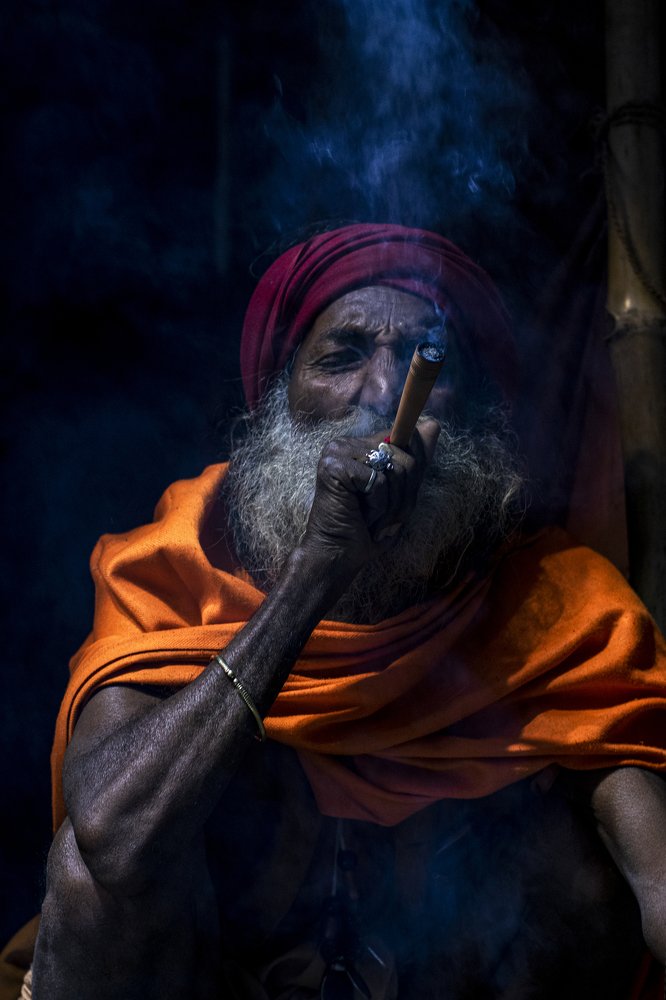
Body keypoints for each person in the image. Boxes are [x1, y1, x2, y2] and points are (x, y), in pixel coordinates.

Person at [26, 224, 666, 998]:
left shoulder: (551, 597)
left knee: (577, 867)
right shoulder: (181, 562)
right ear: (278, 397)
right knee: (90, 877)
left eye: (426, 359)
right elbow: (110, 840)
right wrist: (315, 574)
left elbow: (654, 874)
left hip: (452, 978)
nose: (384, 393)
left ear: (469, 415)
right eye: (342, 357)